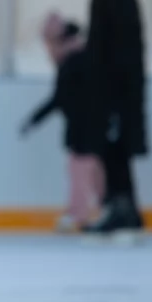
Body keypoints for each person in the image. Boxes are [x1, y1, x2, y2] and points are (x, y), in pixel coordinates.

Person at [65, 0, 148, 238]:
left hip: (117, 84)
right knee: (114, 146)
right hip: (114, 81)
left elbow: (119, 38)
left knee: (116, 147)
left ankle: (122, 209)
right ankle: (123, 208)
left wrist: (110, 80)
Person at [20, 13, 103, 232]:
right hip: (91, 125)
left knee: (80, 170)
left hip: (84, 127)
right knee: (93, 170)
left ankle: (80, 214)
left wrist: (34, 119)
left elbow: (60, 98)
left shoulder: (73, 61)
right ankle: (105, 208)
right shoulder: (81, 57)